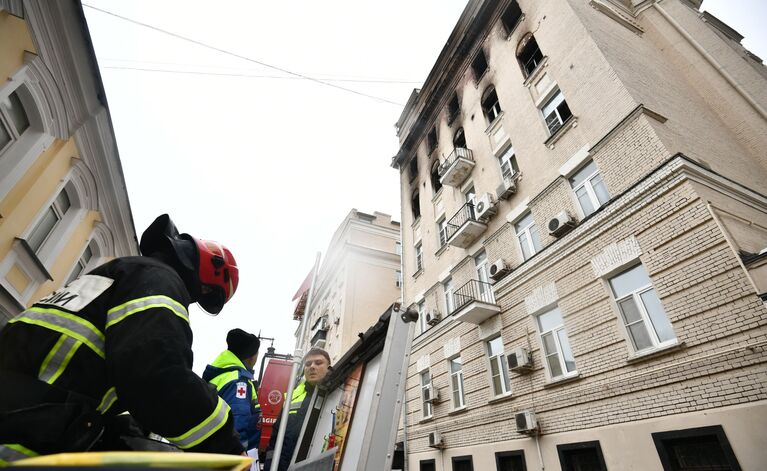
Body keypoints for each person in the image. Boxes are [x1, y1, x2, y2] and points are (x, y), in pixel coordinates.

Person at [0, 214, 243, 462]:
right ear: (205, 269)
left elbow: (109, 368)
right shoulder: (160, 280)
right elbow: (158, 375)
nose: (197, 296)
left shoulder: (116, 273)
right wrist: (228, 447)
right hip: (28, 434)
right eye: (206, 291)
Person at [263, 347, 331, 471]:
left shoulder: (337, 394)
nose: (312, 367)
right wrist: (269, 465)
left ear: (329, 367)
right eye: (308, 364)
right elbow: (276, 435)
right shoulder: (292, 396)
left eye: (318, 363)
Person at [203, 329, 262, 452]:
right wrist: (238, 454)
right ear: (251, 357)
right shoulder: (239, 381)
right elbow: (238, 421)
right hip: (233, 458)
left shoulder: (222, 374)